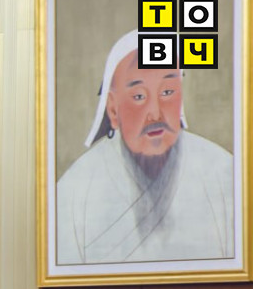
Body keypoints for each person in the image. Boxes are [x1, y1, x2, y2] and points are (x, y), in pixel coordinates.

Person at [56, 30, 234, 265]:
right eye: (139, 96)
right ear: (113, 110)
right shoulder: (74, 190)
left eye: (167, 92)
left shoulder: (223, 172)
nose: (155, 113)